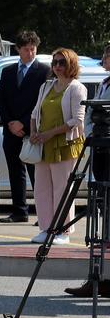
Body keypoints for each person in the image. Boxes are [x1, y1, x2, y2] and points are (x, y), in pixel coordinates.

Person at [28, 48, 86, 244]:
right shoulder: (46, 86)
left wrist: (50, 133)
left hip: (64, 143)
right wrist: (34, 132)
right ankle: (46, 228)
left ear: (71, 64)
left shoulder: (77, 88)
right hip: (43, 143)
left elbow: (77, 120)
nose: (58, 66)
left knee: (62, 189)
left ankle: (63, 231)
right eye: (55, 63)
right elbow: (35, 113)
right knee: (41, 189)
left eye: (62, 62)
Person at [66, 45, 110, 296]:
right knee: (103, 206)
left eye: (107, 56)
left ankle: (104, 278)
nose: (104, 59)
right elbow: (94, 112)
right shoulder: (104, 82)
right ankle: (98, 279)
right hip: (101, 147)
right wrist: (92, 133)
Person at [0, 31, 47, 223]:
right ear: (18, 49)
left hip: (32, 129)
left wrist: (24, 124)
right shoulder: (8, 71)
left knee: (37, 174)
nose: (30, 53)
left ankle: (43, 213)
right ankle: (19, 211)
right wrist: (10, 122)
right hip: (10, 131)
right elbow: (1, 100)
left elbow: (41, 103)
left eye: (33, 49)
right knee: (15, 171)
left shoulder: (44, 71)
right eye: (26, 49)